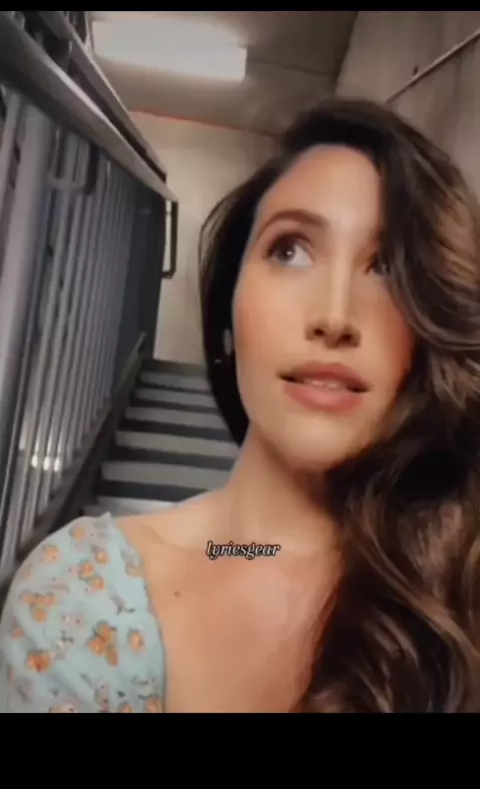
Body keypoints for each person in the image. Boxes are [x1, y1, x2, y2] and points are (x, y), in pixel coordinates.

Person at [1, 98, 479, 713]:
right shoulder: (78, 595)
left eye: (386, 266)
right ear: (228, 307)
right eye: (290, 250)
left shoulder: (457, 581)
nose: (334, 317)